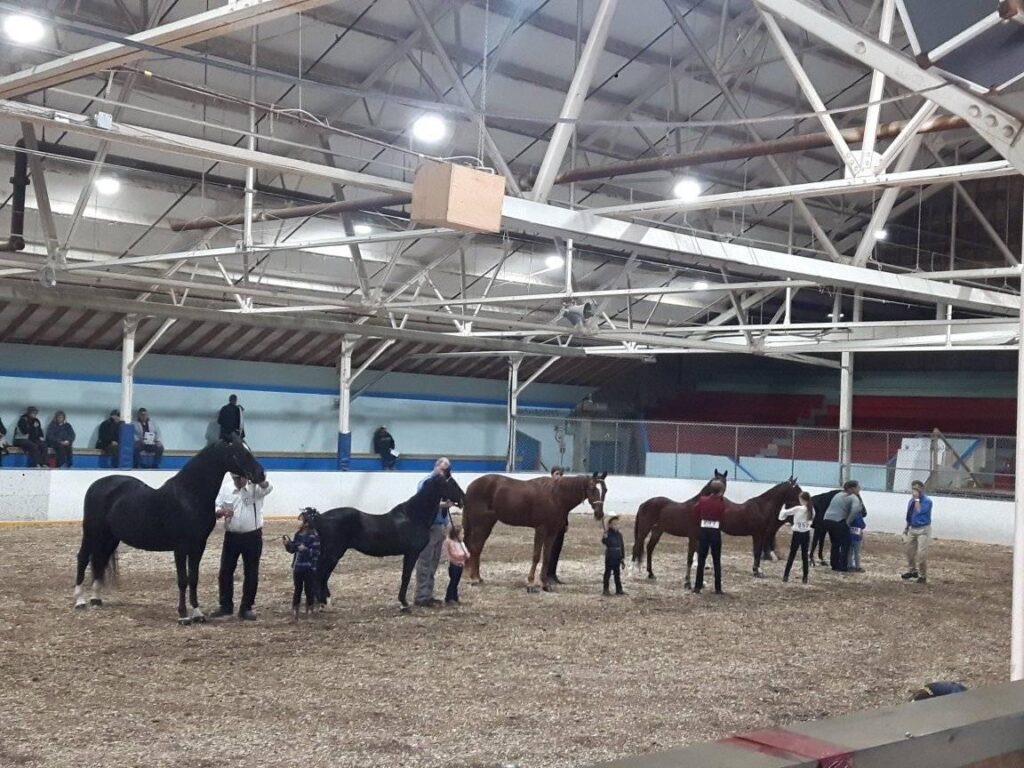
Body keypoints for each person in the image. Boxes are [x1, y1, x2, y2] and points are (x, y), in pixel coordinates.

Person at [212, 472, 274, 620]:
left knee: (251, 572)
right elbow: (216, 505)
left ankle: (246, 607)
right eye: (235, 479)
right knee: (225, 572)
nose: (238, 481)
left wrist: (260, 479)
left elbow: (268, 488)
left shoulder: (255, 489)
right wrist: (220, 512)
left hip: (252, 536)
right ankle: (225, 605)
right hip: (232, 536)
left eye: (241, 478)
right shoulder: (226, 488)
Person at [414, 457, 454, 607]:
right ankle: (421, 595)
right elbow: (423, 501)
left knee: (434, 561)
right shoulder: (426, 482)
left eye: (447, 469)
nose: (444, 472)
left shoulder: (442, 485)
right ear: (436, 467)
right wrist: (443, 505)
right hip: (429, 526)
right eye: (443, 468)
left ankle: (427, 594)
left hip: (439, 526)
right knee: (425, 560)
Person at [283, 508, 321, 622]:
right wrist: (288, 545)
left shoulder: (314, 536)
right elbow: (293, 549)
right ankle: (295, 612)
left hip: (309, 568)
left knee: (309, 590)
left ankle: (309, 610)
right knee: (297, 590)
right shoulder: (298, 534)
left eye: (301, 520)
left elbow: (316, 552)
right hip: (298, 567)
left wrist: (305, 550)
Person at [693, 479, 726, 594]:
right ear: (721, 491)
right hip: (715, 531)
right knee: (716, 560)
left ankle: (697, 586)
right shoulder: (722, 503)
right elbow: (723, 515)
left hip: (704, 530)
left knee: (701, 559)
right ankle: (718, 587)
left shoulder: (702, 500)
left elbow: (696, 512)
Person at [822, 480, 864, 572]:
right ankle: (843, 566)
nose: (859, 489)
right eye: (858, 487)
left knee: (835, 544)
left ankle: (834, 564)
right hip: (838, 521)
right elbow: (855, 510)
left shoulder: (838, 494)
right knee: (846, 543)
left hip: (827, 520)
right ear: (852, 488)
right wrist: (847, 522)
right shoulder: (853, 497)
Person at [779, 491, 814, 584]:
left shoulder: (798, 508)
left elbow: (785, 513)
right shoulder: (812, 510)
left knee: (792, 555)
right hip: (806, 533)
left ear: (801, 499)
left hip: (797, 533)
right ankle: (805, 577)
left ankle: (786, 576)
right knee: (804, 556)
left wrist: (783, 508)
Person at [903, 480, 932, 584]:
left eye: (916, 488)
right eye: (913, 488)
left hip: (923, 529)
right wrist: (906, 527)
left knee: (921, 554)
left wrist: (917, 499)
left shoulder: (927, 501)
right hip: (913, 528)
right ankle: (912, 570)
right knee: (909, 551)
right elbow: (910, 514)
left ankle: (923, 575)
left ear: (922, 489)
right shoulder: (911, 501)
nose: (914, 491)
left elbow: (919, 511)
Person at [546, 466, 568, 584]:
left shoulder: (563, 491)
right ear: (552, 475)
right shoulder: (548, 489)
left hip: (560, 523)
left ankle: (553, 574)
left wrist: (566, 522)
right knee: (550, 549)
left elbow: (565, 508)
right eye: (557, 474)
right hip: (550, 524)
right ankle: (547, 573)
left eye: (561, 474)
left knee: (557, 550)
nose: (559, 476)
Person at [601, 511, 626, 596]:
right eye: (614, 524)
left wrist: (622, 557)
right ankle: (605, 589)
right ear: (610, 525)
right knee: (607, 573)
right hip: (610, 555)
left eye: (617, 524)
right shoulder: (608, 534)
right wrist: (605, 538)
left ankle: (619, 589)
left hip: (617, 556)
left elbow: (622, 546)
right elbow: (605, 542)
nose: (616, 526)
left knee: (617, 574)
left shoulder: (619, 535)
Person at [444, 524, 469, 605]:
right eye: (462, 534)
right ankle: (450, 597)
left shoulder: (461, 543)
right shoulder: (452, 543)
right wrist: (462, 556)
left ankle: (454, 597)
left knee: (456, 582)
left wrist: (467, 555)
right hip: (454, 565)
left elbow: (466, 551)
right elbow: (454, 554)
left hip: (460, 565)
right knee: (453, 581)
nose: (463, 535)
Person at [848, 504, 866, 573]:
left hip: (850, 536)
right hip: (857, 537)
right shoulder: (858, 515)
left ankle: (849, 565)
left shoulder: (849, 515)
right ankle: (857, 567)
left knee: (850, 552)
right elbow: (863, 525)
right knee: (857, 553)